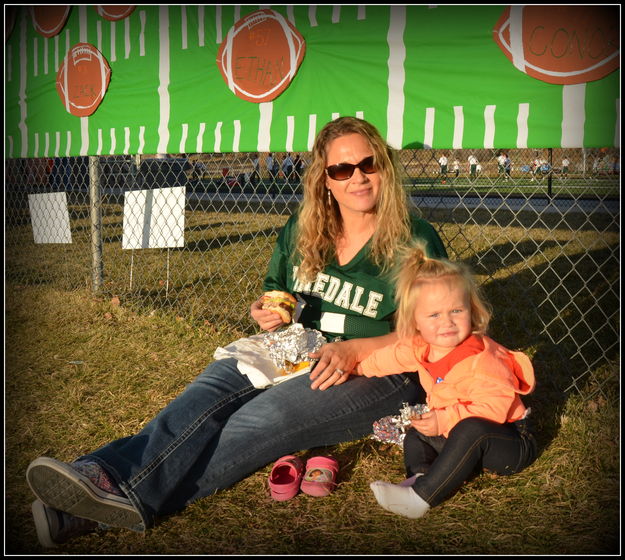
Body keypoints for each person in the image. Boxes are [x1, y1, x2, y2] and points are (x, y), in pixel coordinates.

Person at [25, 116, 448, 546]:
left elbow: (434, 334)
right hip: (296, 346)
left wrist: (356, 349)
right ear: (325, 180)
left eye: (368, 164)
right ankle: (99, 480)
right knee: (207, 392)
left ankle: (100, 499)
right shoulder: (305, 228)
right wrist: (266, 310)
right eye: (342, 169)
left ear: (385, 167)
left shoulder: (415, 241)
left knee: (261, 420)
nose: (357, 177)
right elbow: (276, 290)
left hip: (381, 368)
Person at [352, 242, 537, 519]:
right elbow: (389, 358)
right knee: (418, 433)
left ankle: (420, 498)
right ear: (415, 322)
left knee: (471, 429)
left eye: (456, 311)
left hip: (506, 441)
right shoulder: (421, 347)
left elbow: (495, 409)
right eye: (434, 315)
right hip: (458, 434)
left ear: (472, 311)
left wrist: (444, 420)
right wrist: (357, 368)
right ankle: (422, 476)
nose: (447, 322)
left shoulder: (483, 360)